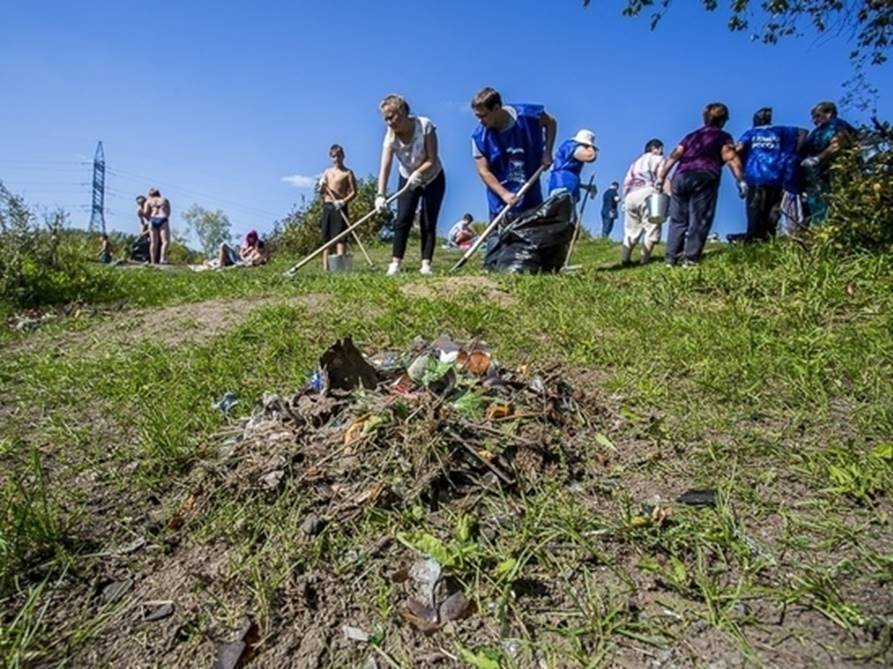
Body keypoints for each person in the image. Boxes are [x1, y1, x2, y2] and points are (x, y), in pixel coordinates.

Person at [657, 102, 746, 267]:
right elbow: (731, 158)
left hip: (680, 176)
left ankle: (671, 258)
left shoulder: (691, 136)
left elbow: (675, 155)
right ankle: (690, 258)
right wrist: (740, 181)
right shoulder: (722, 137)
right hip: (704, 176)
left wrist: (661, 177)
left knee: (678, 219)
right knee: (700, 218)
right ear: (723, 120)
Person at [374, 94, 446, 276]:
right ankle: (395, 264)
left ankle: (426, 265)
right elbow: (385, 167)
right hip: (407, 178)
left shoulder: (424, 125)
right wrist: (380, 194)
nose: (388, 122)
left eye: (391, 117)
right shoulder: (390, 137)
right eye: (385, 119)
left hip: (432, 177)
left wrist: (419, 173)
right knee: (403, 219)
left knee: (428, 221)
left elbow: (431, 158)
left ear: (403, 112)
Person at [470, 87, 557, 221]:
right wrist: (504, 194)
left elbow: (551, 122)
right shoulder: (479, 137)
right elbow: (483, 171)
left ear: (497, 108)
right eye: (477, 116)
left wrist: (547, 152)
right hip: (500, 204)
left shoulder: (528, 116)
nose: (480, 121)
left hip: (530, 195)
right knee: (499, 241)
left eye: (483, 116)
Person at [736, 107, 807, 242]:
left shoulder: (750, 133)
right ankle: (768, 240)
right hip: (776, 176)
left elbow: (738, 148)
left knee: (756, 213)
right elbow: (803, 133)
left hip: (755, 176)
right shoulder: (781, 131)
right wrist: (793, 156)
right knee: (772, 212)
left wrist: (739, 173)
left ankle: (754, 242)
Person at [801, 101, 855, 225]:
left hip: (836, 175)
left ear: (829, 113)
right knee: (818, 212)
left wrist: (818, 159)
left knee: (837, 207)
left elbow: (838, 144)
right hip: (817, 181)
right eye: (813, 118)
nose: (815, 121)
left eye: (817, 116)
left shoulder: (836, 125)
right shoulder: (816, 132)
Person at [620, 139, 665, 265]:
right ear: (656, 148)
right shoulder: (657, 159)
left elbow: (626, 182)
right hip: (648, 192)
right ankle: (644, 260)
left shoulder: (634, 163)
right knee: (652, 227)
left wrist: (624, 200)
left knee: (631, 230)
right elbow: (661, 176)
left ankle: (625, 259)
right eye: (661, 149)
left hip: (630, 196)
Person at [318, 144, 358, 271]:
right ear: (331, 158)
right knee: (327, 238)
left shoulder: (348, 173)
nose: (336, 158)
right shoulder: (327, 172)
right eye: (334, 156)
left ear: (343, 156)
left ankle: (340, 269)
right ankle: (326, 269)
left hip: (340, 206)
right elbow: (322, 191)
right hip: (328, 206)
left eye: (339, 155)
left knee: (341, 238)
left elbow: (354, 192)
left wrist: (343, 201)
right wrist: (321, 186)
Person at [548, 129, 599, 214]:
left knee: (567, 221)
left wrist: (585, 187)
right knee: (563, 220)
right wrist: (590, 146)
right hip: (563, 190)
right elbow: (590, 156)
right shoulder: (572, 146)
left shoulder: (569, 166)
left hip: (566, 188)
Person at [142, 188, 171, 265]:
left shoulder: (148, 201)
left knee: (153, 242)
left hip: (152, 219)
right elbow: (168, 212)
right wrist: (164, 218)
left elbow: (145, 212)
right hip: (162, 218)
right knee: (165, 241)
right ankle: (162, 258)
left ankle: (153, 261)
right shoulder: (164, 200)